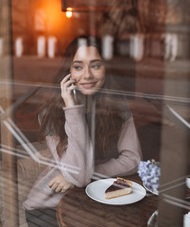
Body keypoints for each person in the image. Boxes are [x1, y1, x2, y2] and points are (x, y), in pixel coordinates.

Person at [23, 35, 141, 226]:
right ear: (68, 71)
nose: (87, 75)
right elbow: (78, 174)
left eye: (95, 65)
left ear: (106, 69)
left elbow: (133, 160)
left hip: (94, 202)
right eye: (78, 67)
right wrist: (72, 109)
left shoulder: (117, 106)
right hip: (49, 207)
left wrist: (90, 175)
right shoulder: (51, 112)